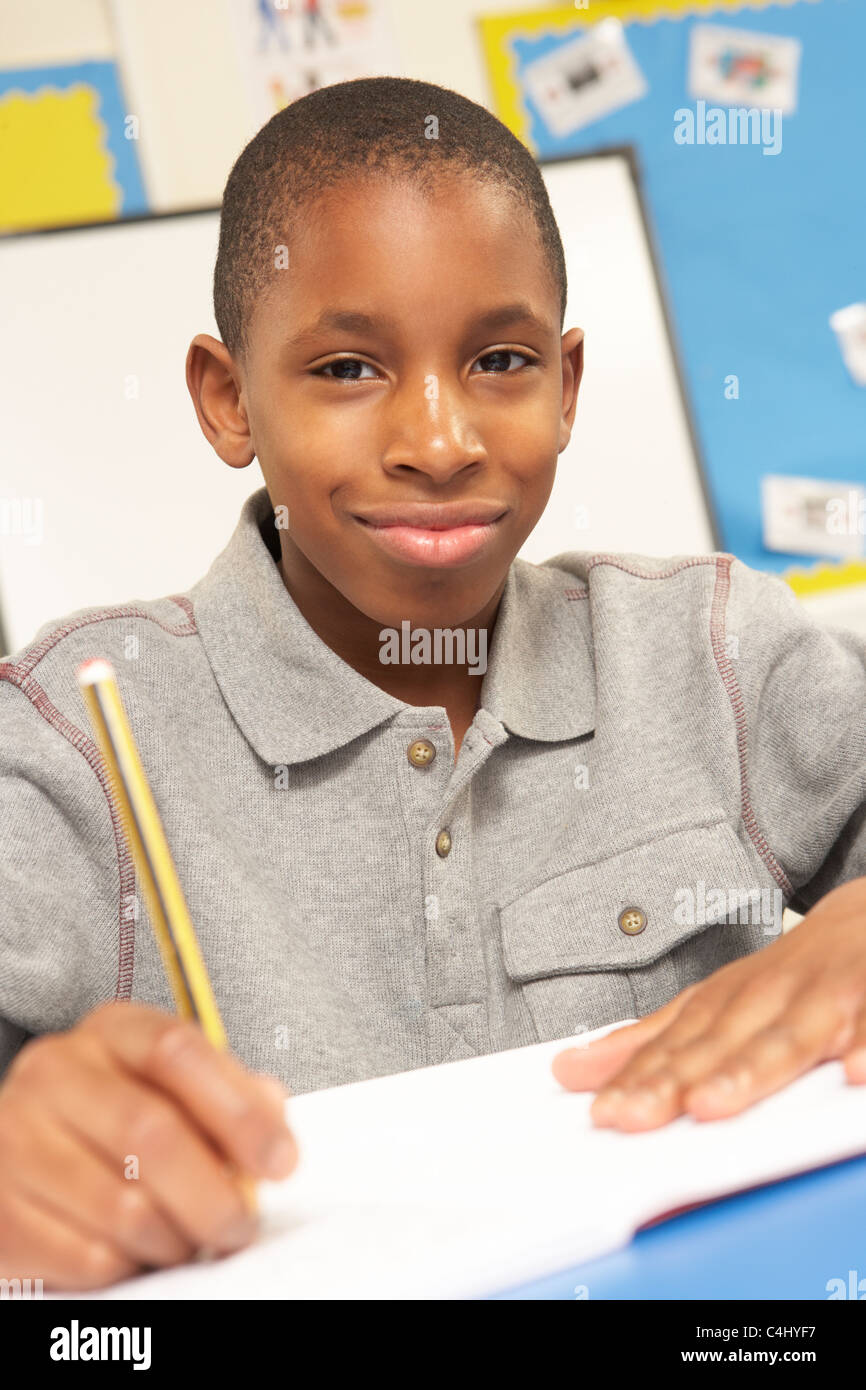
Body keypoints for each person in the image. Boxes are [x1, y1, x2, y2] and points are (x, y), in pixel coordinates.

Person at [1, 76, 864, 1290]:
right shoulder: (67, 749)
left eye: (499, 360)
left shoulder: (710, 654)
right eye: (348, 369)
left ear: (565, 387)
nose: (440, 439)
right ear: (226, 397)